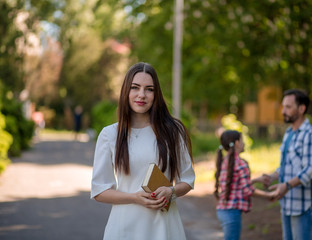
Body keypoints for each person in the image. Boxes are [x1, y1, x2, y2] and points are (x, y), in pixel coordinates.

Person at [91, 62, 195, 240]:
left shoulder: (173, 130)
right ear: (126, 91)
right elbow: (99, 191)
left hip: (164, 226)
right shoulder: (110, 134)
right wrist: (135, 197)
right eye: (135, 87)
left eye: (149, 89)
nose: (141, 95)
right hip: (124, 227)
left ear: (156, 94)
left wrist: (171, 192)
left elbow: (187, 180)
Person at [262, 89, 312, 240]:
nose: (283, 111)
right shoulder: (288, 133)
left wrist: (287, 185)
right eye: (283, 106)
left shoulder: (311, 135)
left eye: (288, 107)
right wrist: (272, 177)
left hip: (303, 206)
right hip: (287, 203)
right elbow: (286, 165)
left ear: (302, 108)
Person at [214, 130, 274, 240]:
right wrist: (270, 195)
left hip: (222, 210)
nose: (244, 143)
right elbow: (248, 190)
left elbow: (235, 185)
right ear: (237, 143)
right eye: (242, 140)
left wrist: (256, 180)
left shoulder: (224, 161)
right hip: (232, 213)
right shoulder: (241, 163)